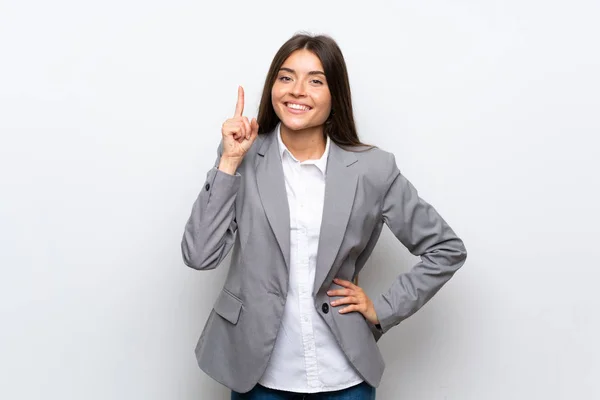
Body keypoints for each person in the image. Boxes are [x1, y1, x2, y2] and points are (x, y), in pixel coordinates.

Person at [181, 33, 467, 400]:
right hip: (256, 375)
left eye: (315, 81)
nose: (297, 90)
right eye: (286, 78)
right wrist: (229, 162)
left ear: (336, 95)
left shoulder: (372, 169)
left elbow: (446, 249)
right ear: (273, 88)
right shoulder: (243, 157)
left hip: (343, 379)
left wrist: (382, 308)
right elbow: (199, 255)